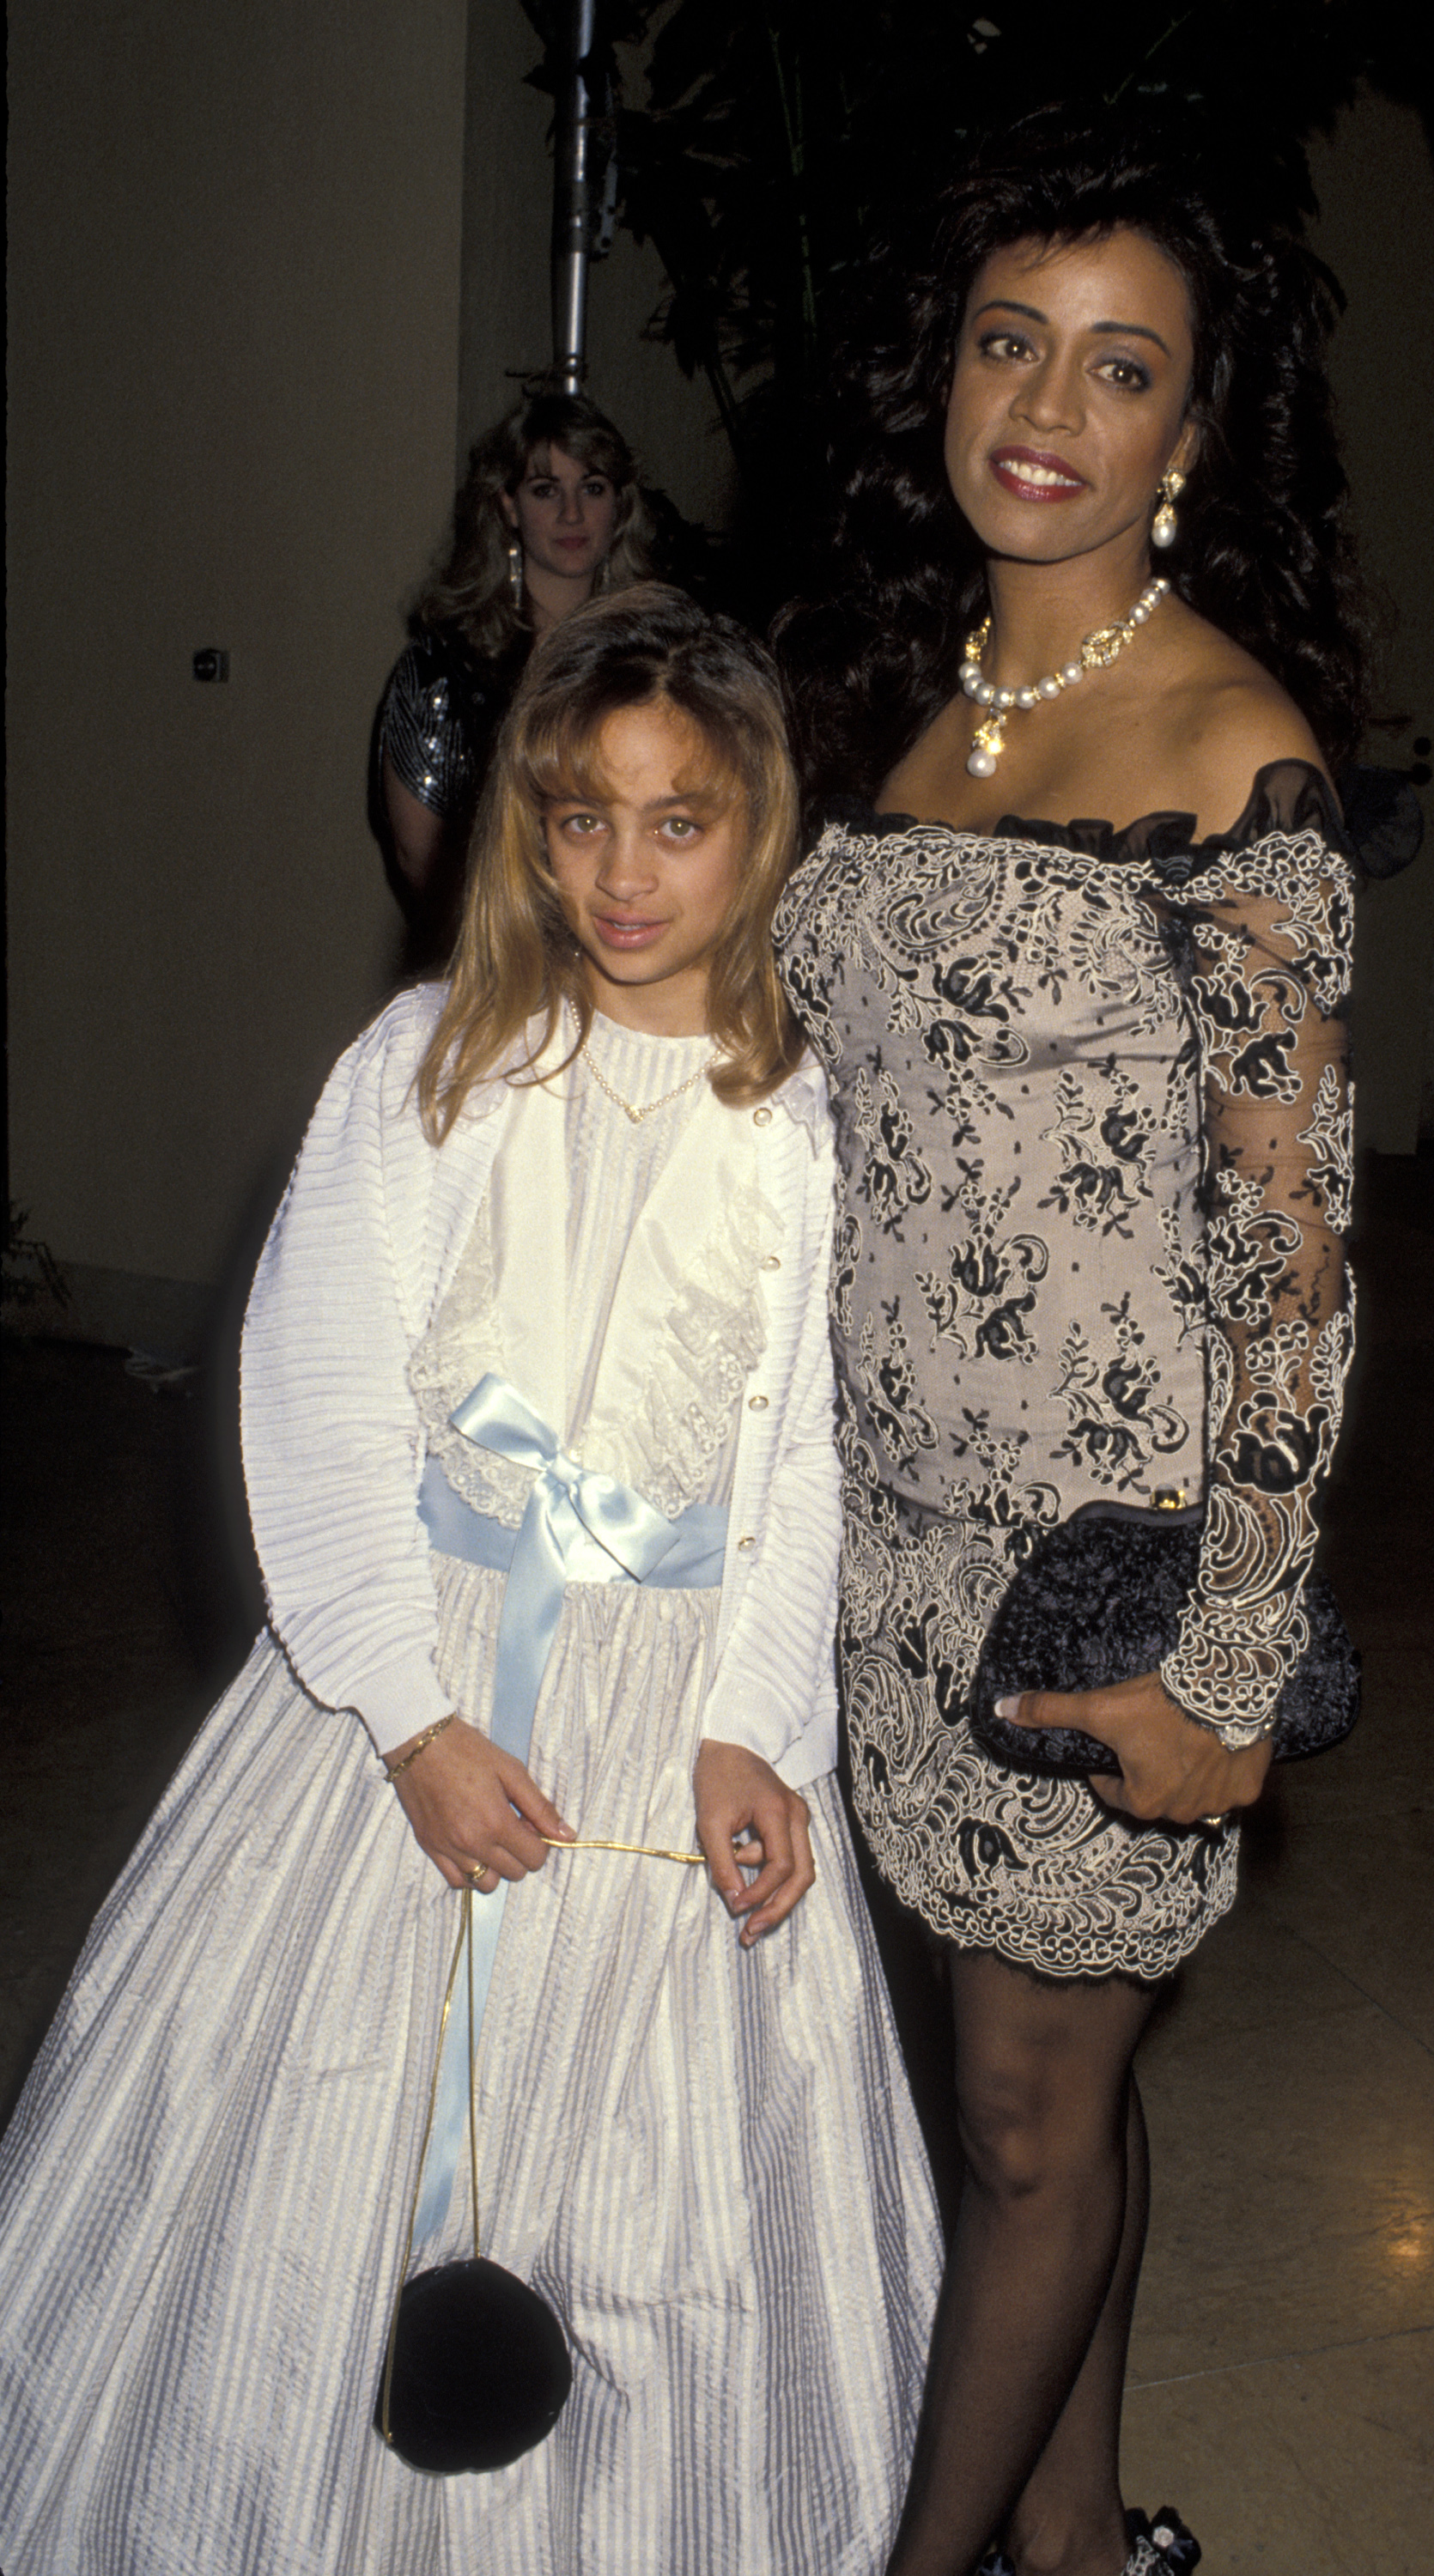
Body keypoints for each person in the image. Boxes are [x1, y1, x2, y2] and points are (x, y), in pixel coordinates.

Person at [0, 586, 939, 2573]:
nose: (621, 869)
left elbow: (814, 1466)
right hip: (414, 1675)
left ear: (756, 831)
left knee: (655, 2213)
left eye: (677, 821)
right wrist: (405, 1714)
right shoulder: (431, 1063)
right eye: (580, 817)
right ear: (524, 822)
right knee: (305, 2153)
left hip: (676, 1706)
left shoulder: (806, 1119)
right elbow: (320, 1399)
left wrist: (754, 1730)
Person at [773, 112, 1368, 2576]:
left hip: (1094, 1572)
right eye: (1015, 341)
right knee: (1035, 2104)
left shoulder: (1236, 756)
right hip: (879, 1546)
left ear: (1193, 432)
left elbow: (1295, 1268)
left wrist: (1230, 1673)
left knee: (1019, 2131)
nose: (1050, 403)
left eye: (1125, 368)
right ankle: (1082, 2547)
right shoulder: (911, 714)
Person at [376, 392, 656, 948]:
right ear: (507, 505)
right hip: (491, 959)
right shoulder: (443, 667)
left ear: (620, 505)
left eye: (592, 488)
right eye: (546, 490)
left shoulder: (658, 657)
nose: (572, 514)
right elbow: (422, 865)